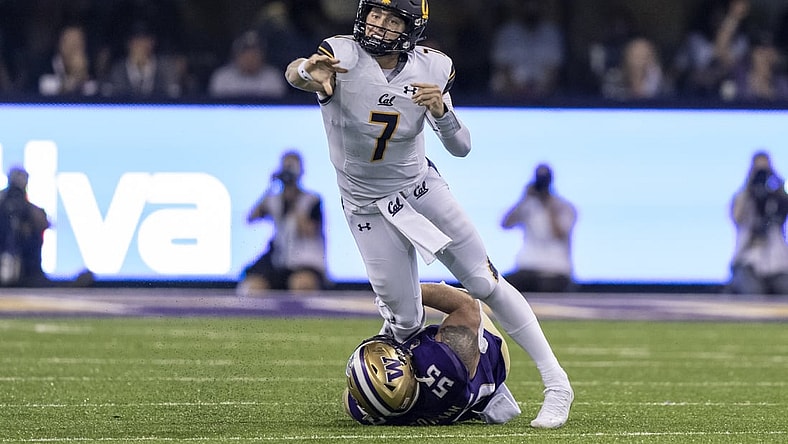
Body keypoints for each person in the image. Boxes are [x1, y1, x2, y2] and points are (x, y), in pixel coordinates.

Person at [284, 0, 573, 428]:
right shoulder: (340, 54)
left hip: (421, 190)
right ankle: (482, 389)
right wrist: (307, 72)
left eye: (391, 19)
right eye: (375, 14)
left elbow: (461, 147)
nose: (378, 25)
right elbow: (297, 74)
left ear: (411, 28)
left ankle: (557, 384)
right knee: (403, 321)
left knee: (483, 281)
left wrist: (441, 112)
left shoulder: (433, 68)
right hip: (365, 204)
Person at [344, 282, 521, 425]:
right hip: (490, 364)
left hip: (452, 403)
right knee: (463, 297)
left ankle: (480, 402)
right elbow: (468, 306)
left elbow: (352, 397)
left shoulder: (375, 412)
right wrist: (404, 295)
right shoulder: (445, 365)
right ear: (409, 371)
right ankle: (493, 393)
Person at [237, 150, 327, 294]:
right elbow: (251, 218)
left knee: (301, 284)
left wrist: (294, 202)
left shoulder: (311, 200)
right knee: (252, 286)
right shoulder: (274, 199)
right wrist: (270, 187)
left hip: (305, 261)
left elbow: (308, 231)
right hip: (279, 260)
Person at [501, 164, 577, 293]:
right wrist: (523, 199)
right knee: (500, 288)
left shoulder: (563, 207)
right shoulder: (528, 205)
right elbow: (505, 224)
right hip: (528, 268)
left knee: (548, 288)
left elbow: (559, 233)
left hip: (555, 270)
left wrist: (548, 204)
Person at [728, 151, 788, 295]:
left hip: (778, 263)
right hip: (748, 261)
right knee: (754, 293)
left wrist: (776, 181)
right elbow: (737, 216)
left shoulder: (776, 199)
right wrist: (750, 184)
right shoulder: (743, 198)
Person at [0, 167, 51, 287]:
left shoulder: (32, 212)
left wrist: (26, 209)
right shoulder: (3, 206)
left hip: (29, 273)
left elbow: (44, 224)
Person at [208, 30, 287, 99]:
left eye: (255, 54)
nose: (250, 59)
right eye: (245, 53)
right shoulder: (222, 77)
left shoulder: (273, 77)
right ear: (236, 56)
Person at [37, 24, 98, 97]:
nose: (75, 49)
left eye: (78, 43)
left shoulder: (91, 66)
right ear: (60, 44)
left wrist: (82, 73)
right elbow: (44, 85)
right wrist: (76, 79)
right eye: (71, 43)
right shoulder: (44, 64)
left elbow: (95, 89)